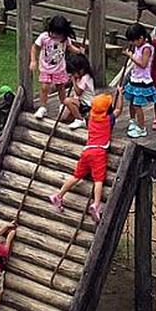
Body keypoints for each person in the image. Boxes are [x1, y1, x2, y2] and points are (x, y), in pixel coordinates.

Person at [50, 93, 122, 223]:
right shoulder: (108, 119)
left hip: (87, 151)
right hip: (99, 152)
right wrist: (120, 94)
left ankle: (59, 195)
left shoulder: (90, 118)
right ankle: (96, 204)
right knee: (98, 179)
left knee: (76, 176)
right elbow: (118, 110)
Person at [29, 15, 82, 120]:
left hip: (59, 68)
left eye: (58, 34)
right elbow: (34, 48)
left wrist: (78, 51)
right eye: (52, 33)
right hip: (46, 67)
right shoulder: (44, 37)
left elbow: (70, 47)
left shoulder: (65, 40)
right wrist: (33, 60)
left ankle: (63, 104)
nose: (54, 36)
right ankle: (43, 107)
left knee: (61, 87)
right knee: (44, 87)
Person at [122, 23, 156, 139]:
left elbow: (143, 64)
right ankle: (133, 121)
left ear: (141, 38)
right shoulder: (138, 46)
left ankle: (142, 128)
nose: (132, 43)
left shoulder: (147, 48)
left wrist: (130, 56)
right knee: (131, 101)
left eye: (133, 41)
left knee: (138, 105)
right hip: (134, 78)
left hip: (142, 80)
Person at [62, 53, 95, 130]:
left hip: (86, 104)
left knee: (67, 101)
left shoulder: (86, 78)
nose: (73, 75)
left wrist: (73, 80)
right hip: (79, 102)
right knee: (64, 118)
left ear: (82, 69)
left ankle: (80, 120)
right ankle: (81, 116)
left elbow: (78, 92)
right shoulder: (79, 77)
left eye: (74, 73)